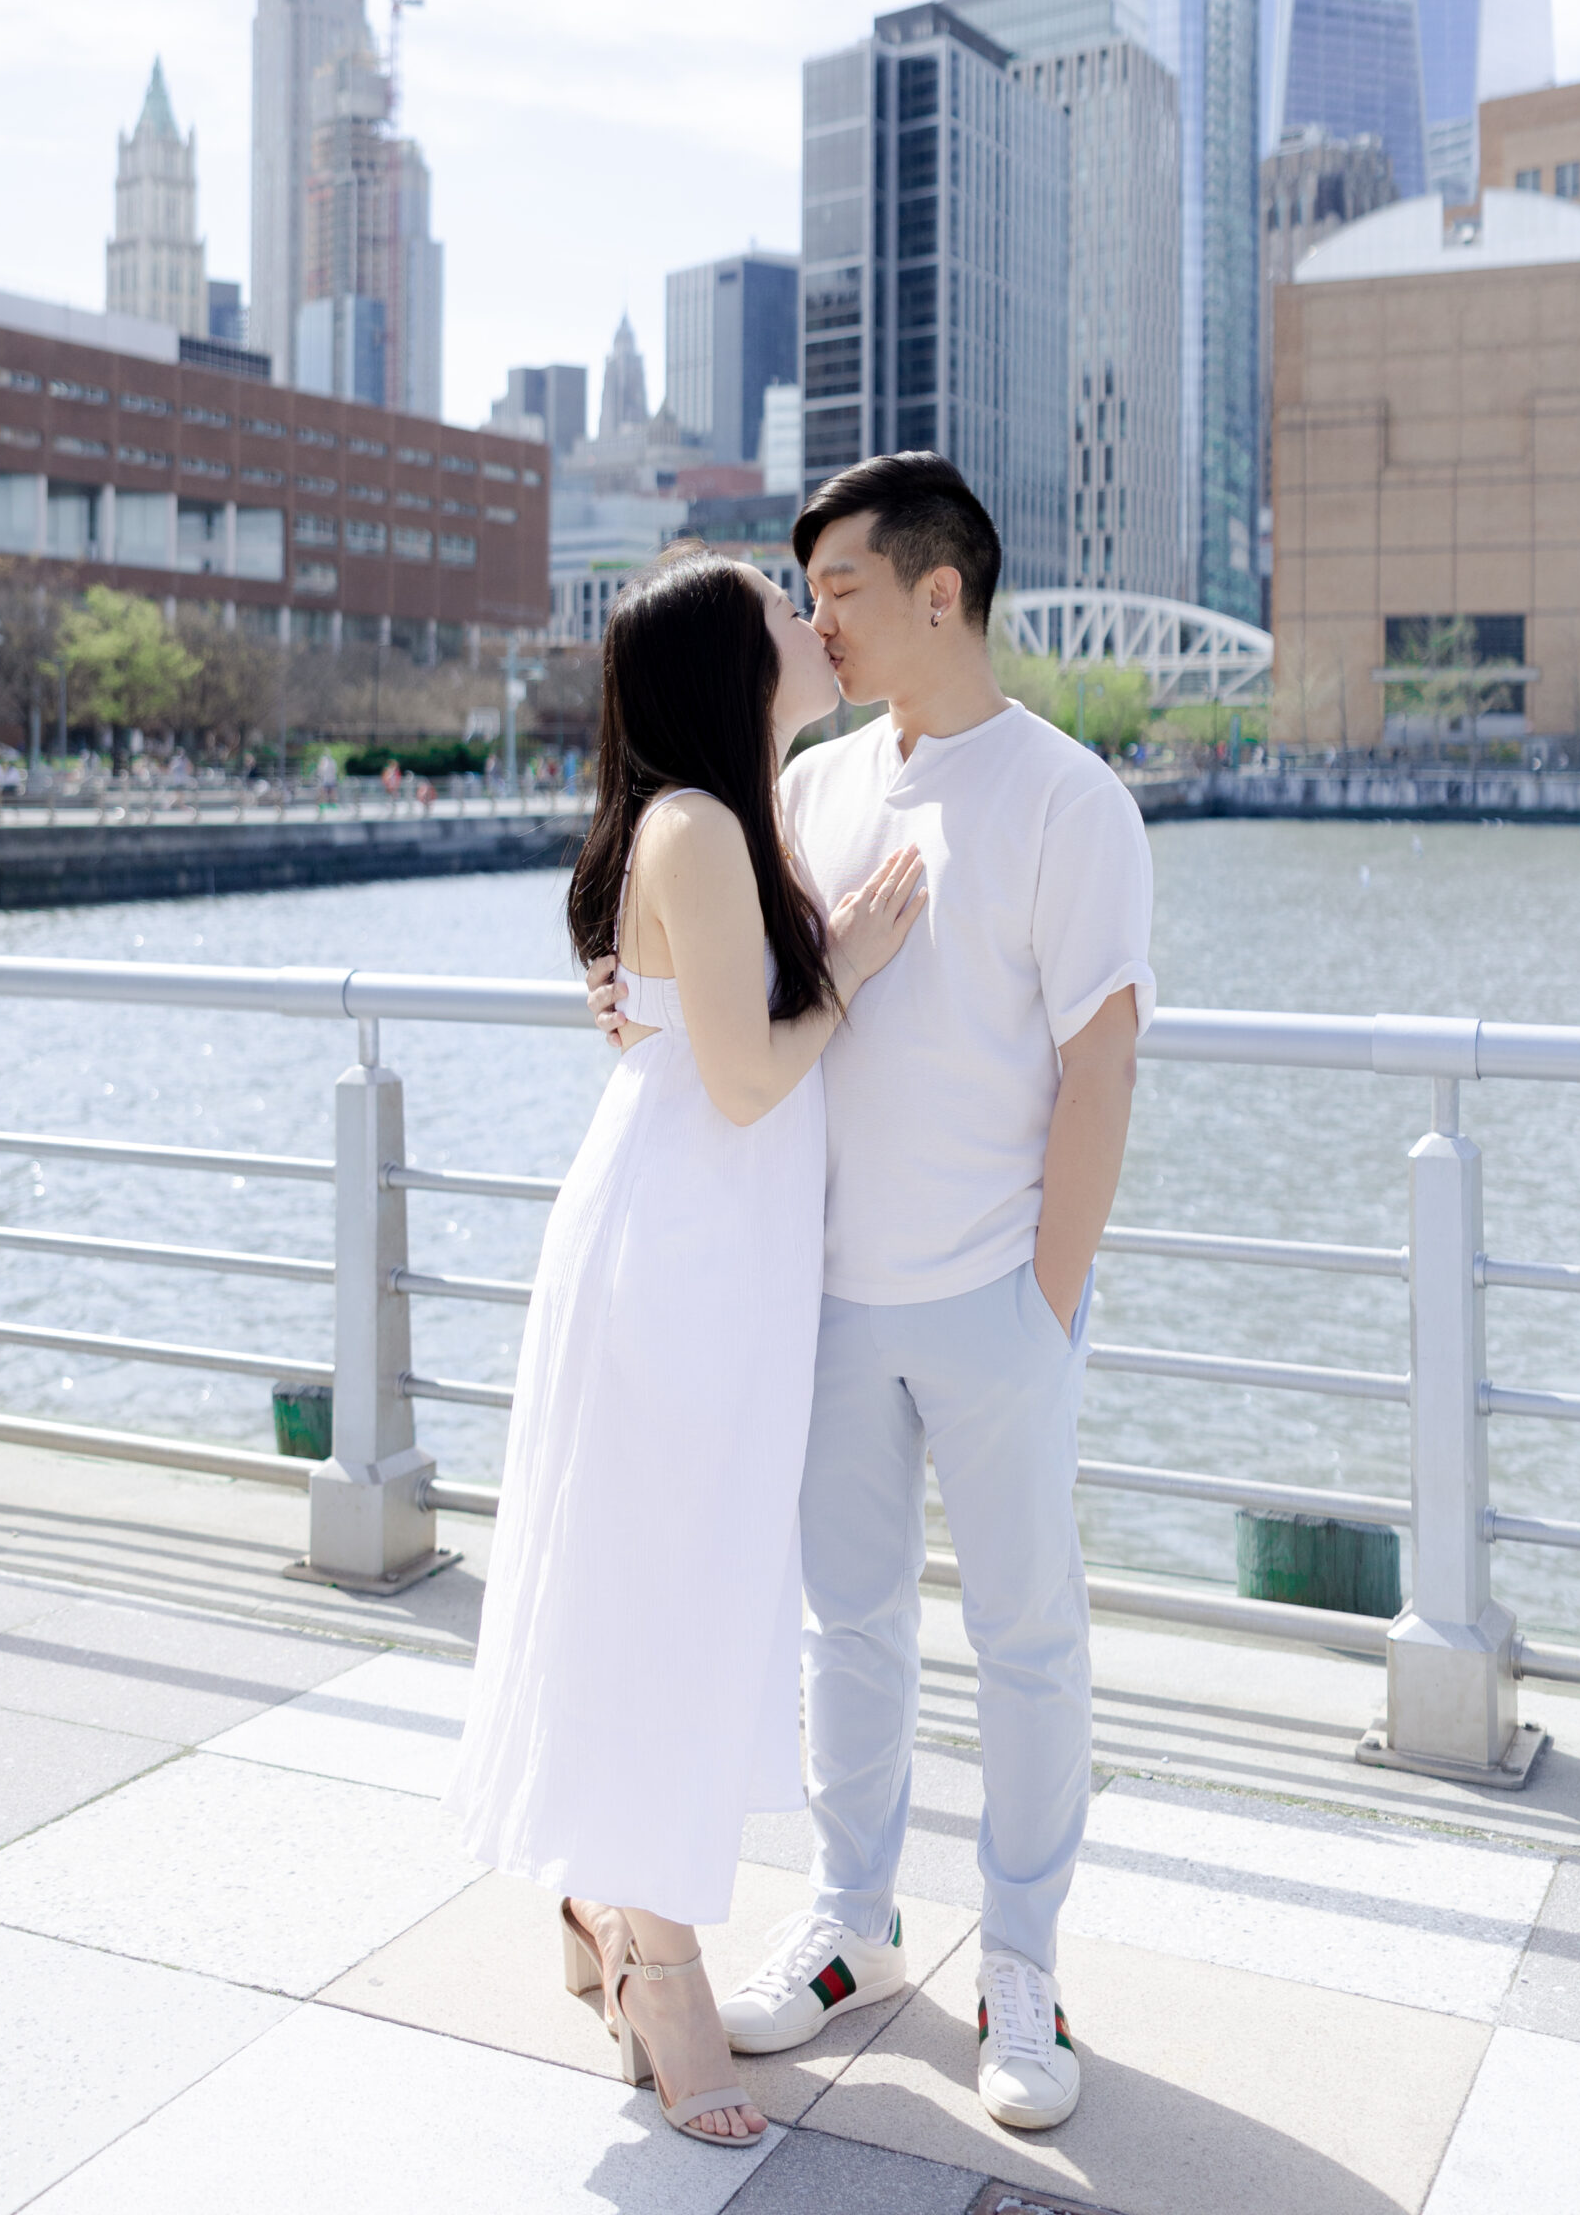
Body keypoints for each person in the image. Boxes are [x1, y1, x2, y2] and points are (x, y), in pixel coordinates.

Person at [591, 454, 1154, 2132]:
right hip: (824, 1299)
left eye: (836, 587)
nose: (814, 617)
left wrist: (1046, 1310)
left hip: (994, 1296)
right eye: (803, 591)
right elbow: (718, 992)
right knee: (849, 1630)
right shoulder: (814, 787)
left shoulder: (1069, 801)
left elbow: (1101, 1072)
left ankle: (1027, 1967)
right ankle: (848, 1920)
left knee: (1026, 1641)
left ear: (939, 590)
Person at [443, 548, 926, 2149]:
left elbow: (680, 1021)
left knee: (683, 1586)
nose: (814, 618)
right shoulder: (705, 823)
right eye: (788, 608)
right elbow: (740, 1077)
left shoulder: (732, 809)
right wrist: (852, 959)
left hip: (712, 1255)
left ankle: (607, 1903)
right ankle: (656, 1950)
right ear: (731, 660)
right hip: (685, 1266)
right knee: (673, 1595)